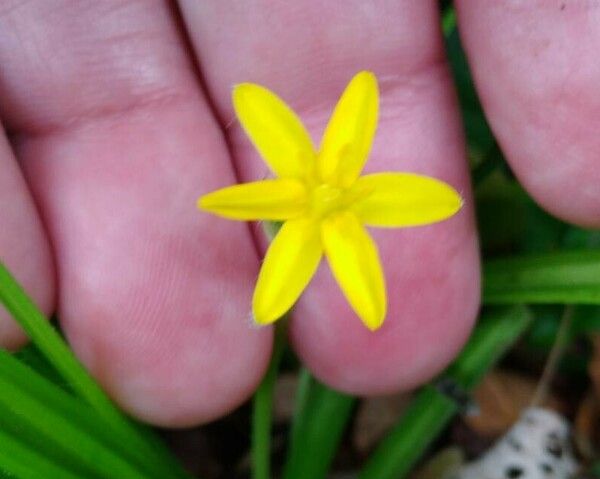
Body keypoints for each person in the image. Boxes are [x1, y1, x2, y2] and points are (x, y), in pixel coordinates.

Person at [1, 1, 598, 426]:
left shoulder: (360, 191)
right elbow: (284, 124)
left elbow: (367, 110)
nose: (335, 197)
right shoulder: (289, 181)